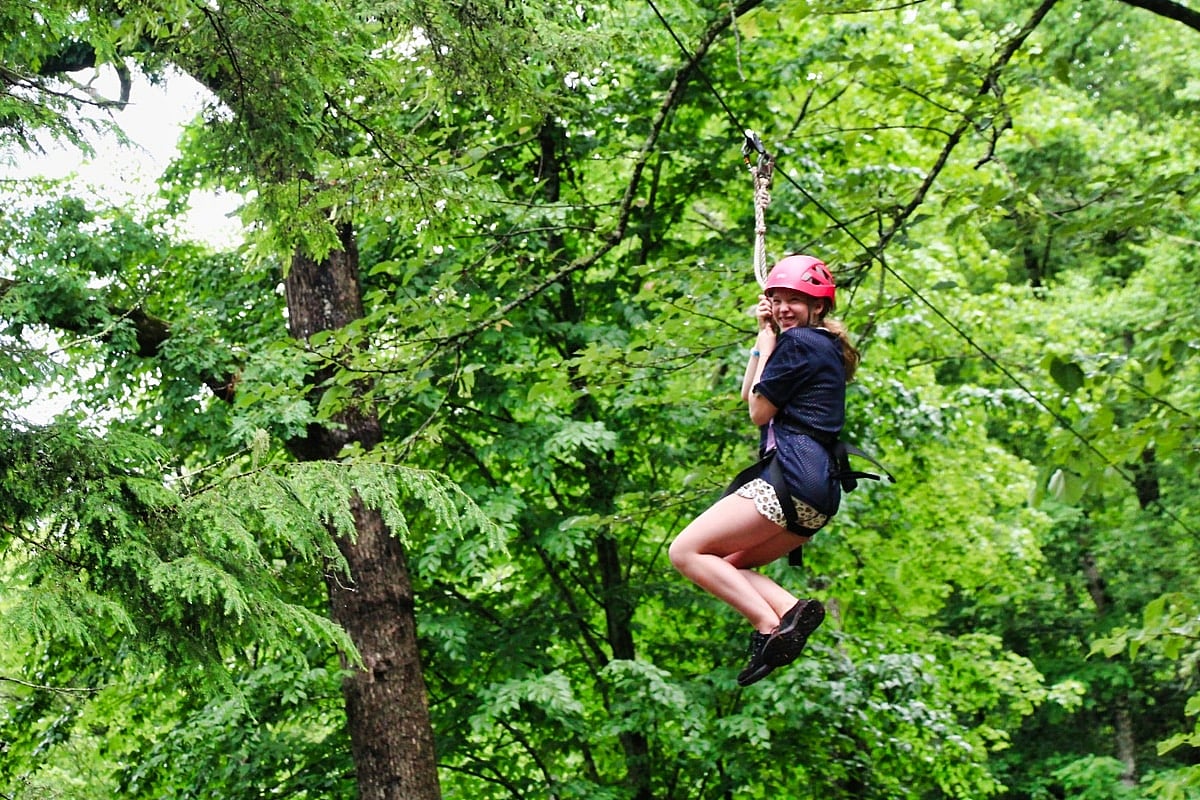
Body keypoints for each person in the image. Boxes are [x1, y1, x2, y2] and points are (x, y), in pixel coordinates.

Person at [668, 253, 861, 687]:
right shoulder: (819, 347)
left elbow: (758, 411)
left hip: (790, 478)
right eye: (777, 299)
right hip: (818, 497)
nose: (784, 307)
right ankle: (791, 611)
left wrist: (773, 338)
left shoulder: (801, 343)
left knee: (684, 552)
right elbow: (748, 392)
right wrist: (763, 334)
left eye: (795, 299)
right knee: (727, 565)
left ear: (819, 307)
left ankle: (765, 625)